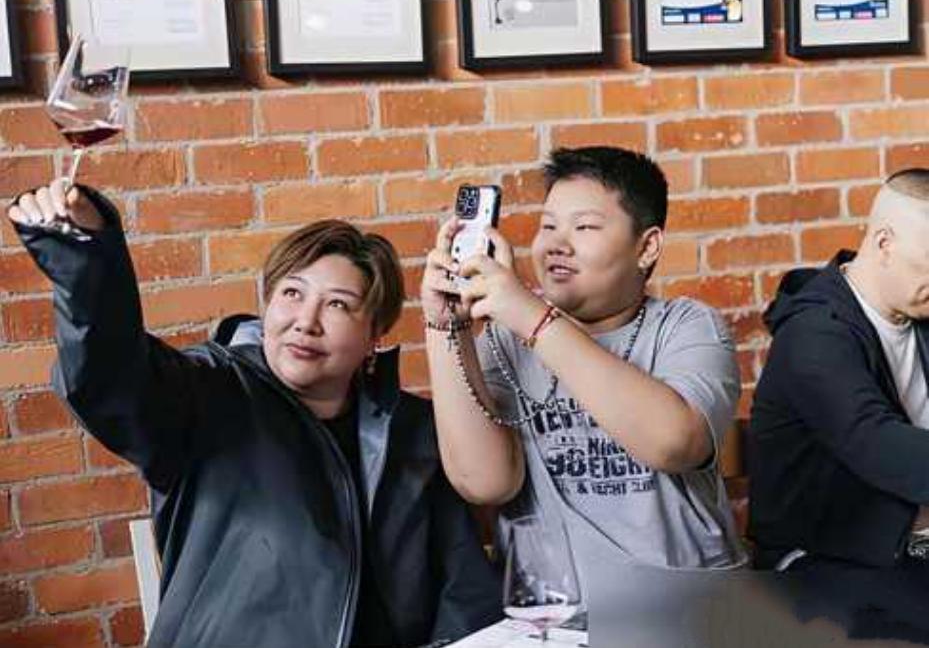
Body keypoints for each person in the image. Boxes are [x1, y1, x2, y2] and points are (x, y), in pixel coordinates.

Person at [7, 179, 501, 648]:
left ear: (375, 335)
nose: (306, 322)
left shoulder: (414, 432)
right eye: (292, 293)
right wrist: (88, 261)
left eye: (338, 305)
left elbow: (462, 592)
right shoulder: (208, 394)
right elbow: (108, 377)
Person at [420, 146, 746, 582]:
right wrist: (446, 327)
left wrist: (531, 316)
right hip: (552, 607)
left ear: (647, 247)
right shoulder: (504, 339)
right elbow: (485, 482)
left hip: (688, 602)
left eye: (585, 226)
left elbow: (673, 443)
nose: (557, 244)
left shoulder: (686, 327)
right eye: (548, 226)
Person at [750, 169, 929, 575]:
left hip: (907, 544)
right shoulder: (813, 333)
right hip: (820, 558)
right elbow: (874, 440)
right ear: (885, 244)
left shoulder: (918, 312)